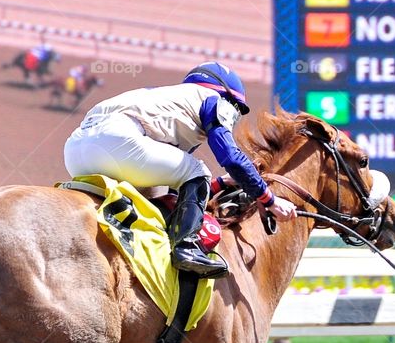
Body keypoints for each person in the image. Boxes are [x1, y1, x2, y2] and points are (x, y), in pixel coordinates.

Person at [64, 61, 296, 278]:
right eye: (237, 110)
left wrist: (220, 184)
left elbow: (170, 189)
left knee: (160, 193)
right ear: (228, 97)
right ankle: (186, 248)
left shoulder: (170, 102)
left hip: (75, 151)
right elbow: (232, 158)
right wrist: (269, 199)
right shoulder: (214, 99)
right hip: (119, 140)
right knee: (198, 170)